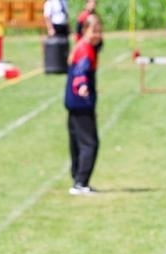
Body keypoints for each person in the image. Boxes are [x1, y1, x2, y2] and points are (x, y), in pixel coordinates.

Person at [65, 15, 102, 194]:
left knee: (77, 142)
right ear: (85, 31)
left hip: (73, 103)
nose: (97, 35)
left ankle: (77, 179)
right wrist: (82, 85)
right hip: (81, 102)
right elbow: (82, 70)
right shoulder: (85, 50)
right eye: (94, 31)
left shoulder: (81, 46)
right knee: (90, 143)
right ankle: (81, 182)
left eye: (99, 31)